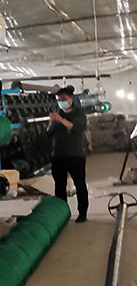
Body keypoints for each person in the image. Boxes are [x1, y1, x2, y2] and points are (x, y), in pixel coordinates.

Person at [48, 85, 89, 222]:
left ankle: (82, 213)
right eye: (59, 99)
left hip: (75, 154)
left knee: (79, 184)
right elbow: (49, 133)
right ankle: (62, 213)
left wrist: (60, 120)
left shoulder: (79, 113)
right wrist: (51, 122)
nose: (61, 102)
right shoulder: (57, 114)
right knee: (59, 186)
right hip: (58, 155)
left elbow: (77, 127)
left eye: (64, 99)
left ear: (71, 99)